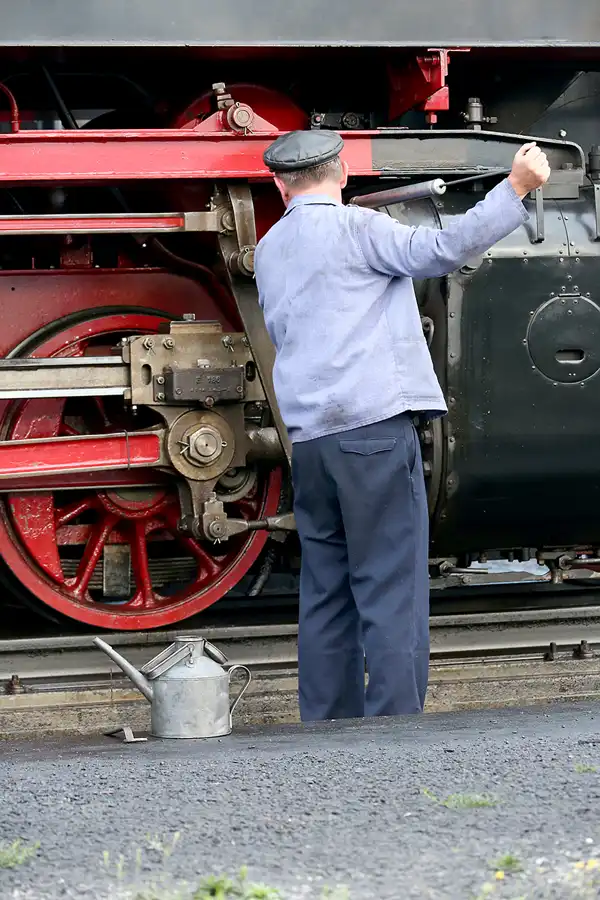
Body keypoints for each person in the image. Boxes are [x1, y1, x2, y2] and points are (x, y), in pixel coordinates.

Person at [253, 131, 550, 722]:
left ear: (279, 184)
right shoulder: (358, 229)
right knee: (390, 587)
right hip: (372, 431)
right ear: (341, 175)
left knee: (326, 591)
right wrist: (515, 187)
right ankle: (392, 732)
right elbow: (441, 249)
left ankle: (328, 724)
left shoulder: (269, 248)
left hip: (310, 441)